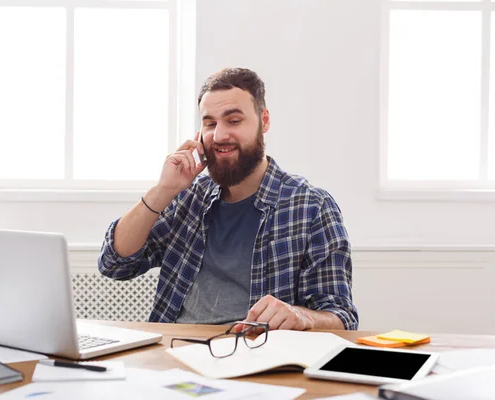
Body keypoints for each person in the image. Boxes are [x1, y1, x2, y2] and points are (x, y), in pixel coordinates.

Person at [99, 68, 358, 331]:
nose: (220, 135)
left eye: (233, 121)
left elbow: (342, 317)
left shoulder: (311, 207)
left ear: (264, 121)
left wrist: (304, 316)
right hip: (175, 352)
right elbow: (115, 264)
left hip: (254, 356)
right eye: (210, 123)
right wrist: (163, 189)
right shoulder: (188, 196)